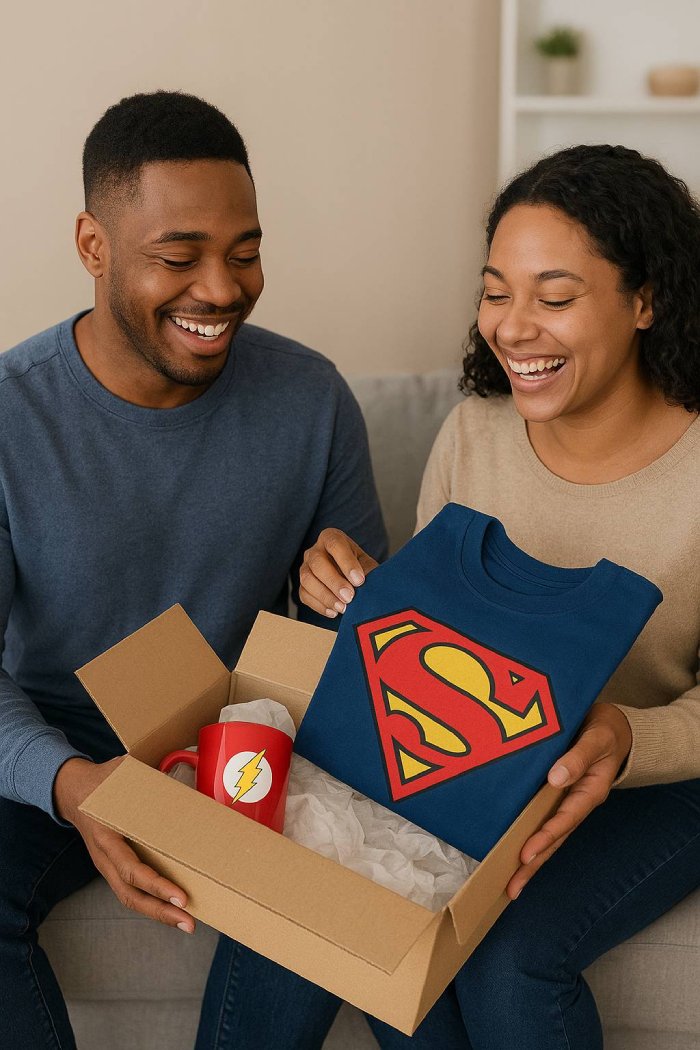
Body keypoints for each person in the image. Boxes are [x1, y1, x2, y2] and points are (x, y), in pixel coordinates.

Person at [214, 145, 700, 1050]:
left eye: (555, 297)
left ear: (646, 299)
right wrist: (349, 595)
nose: (513, 328)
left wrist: (629, 738)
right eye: (495, 292)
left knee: (507, 959)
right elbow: (439, 639)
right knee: (332, 899)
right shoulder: (474, 433)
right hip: (489, 761)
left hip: (661, 779)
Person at [0, 90, 387, 1050]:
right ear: (94, 246)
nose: (220, 289)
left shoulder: (311, 399)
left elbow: (358, 660)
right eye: (179, 258)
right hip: (58, 750)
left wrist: (343, 598)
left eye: (244, 252)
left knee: (340, 907)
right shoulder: (13, 416)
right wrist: (70, 784)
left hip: (241, 756)